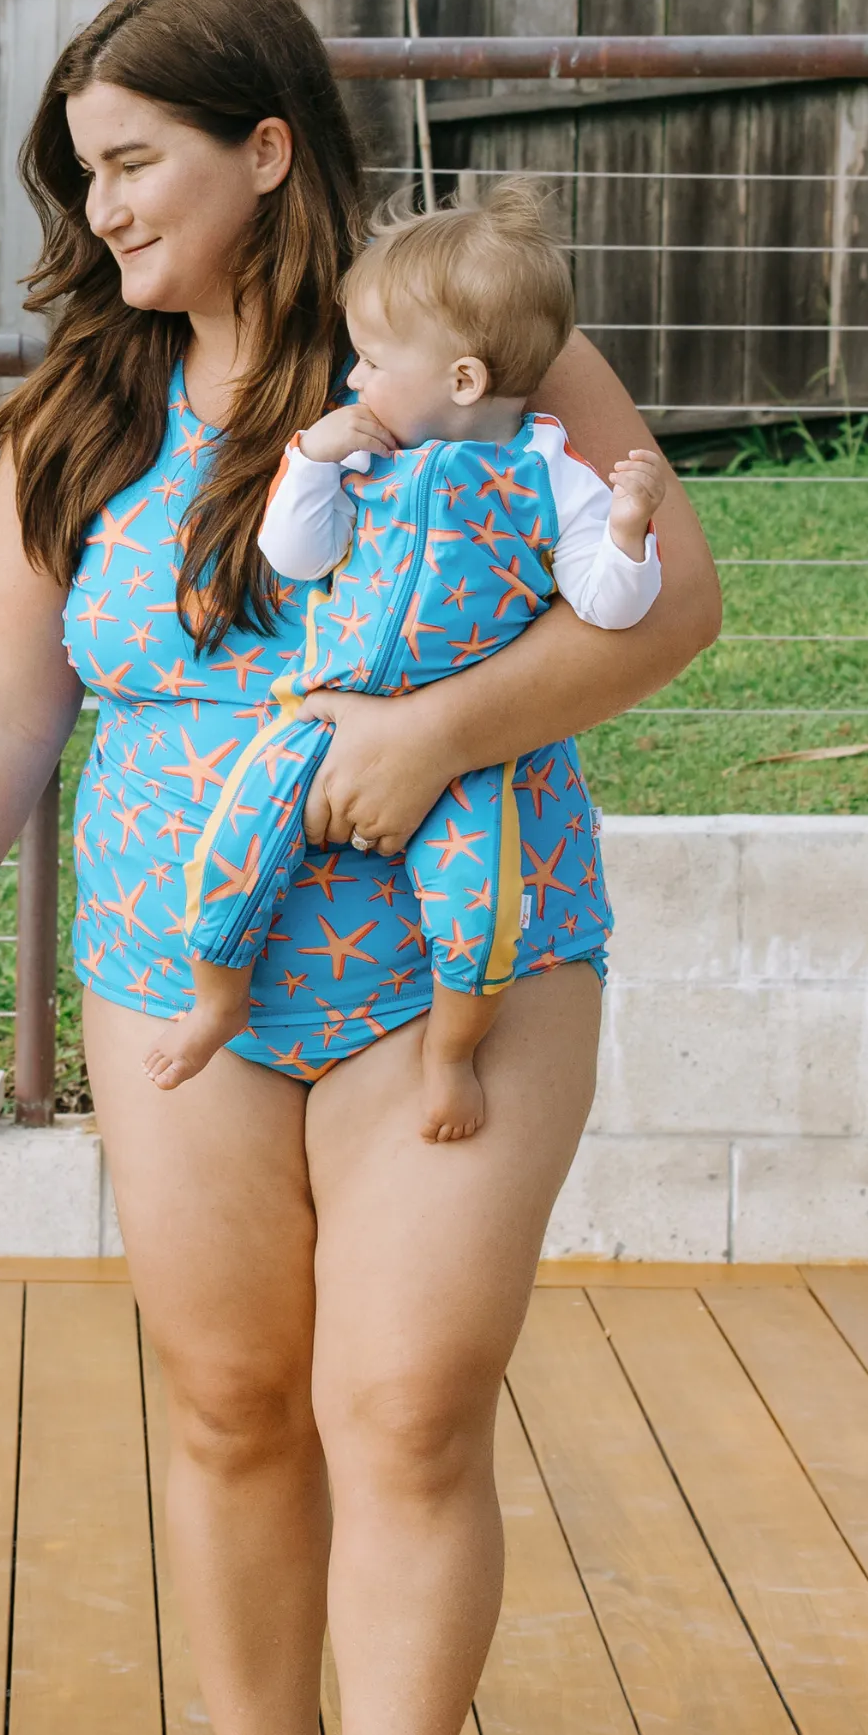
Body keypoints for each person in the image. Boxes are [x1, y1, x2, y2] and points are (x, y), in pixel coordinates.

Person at [0, 0, 719, 1735]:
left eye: (137, 166)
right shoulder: (82, 409)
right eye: (85, 179)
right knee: (234, 1401)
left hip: (458, 968)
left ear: (264, 148)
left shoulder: (470, 340)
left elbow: (666, 592)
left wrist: (439, 733)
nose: (107, 213)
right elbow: (1, 701)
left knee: (405, 1405)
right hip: (182, 974)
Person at [146, 179, 672, 1141]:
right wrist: (310, 460)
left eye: (374, 362)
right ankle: (216, 1002)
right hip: (322, 712)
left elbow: (610, 603)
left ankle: (452, 1056)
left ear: (464, 380)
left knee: (478, 913)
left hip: (473, 757)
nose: (354, 381)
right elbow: (294, 557)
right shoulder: (362, 455)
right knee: (236, 846)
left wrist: (629, 533)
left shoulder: (548, 471)